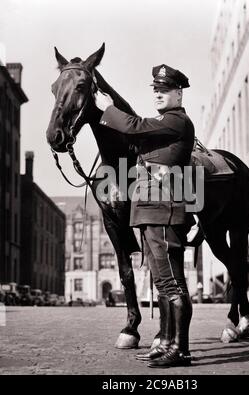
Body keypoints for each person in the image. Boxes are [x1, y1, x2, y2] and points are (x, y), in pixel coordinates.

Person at [96, 64, 195, 368]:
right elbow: (134, 140)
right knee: (163, 284)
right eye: (155, 90)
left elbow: (134, 126)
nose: (158, 95)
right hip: (150, 212)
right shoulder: (163, 126)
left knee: (172, 283)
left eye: (164, 91)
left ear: (178, 94)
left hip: (164, 212)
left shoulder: (176, 122)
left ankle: (180, 349)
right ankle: (165, 342)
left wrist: (109, 108)